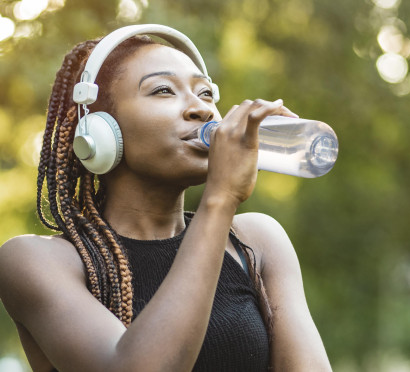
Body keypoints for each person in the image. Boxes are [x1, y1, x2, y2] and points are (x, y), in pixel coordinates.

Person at [0, 24, 332, 372]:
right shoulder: (35, 261)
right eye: (163, 90)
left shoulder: (257, 242)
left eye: (206, 94)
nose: (202, 110)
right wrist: (220, 199)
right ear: (99, 131)